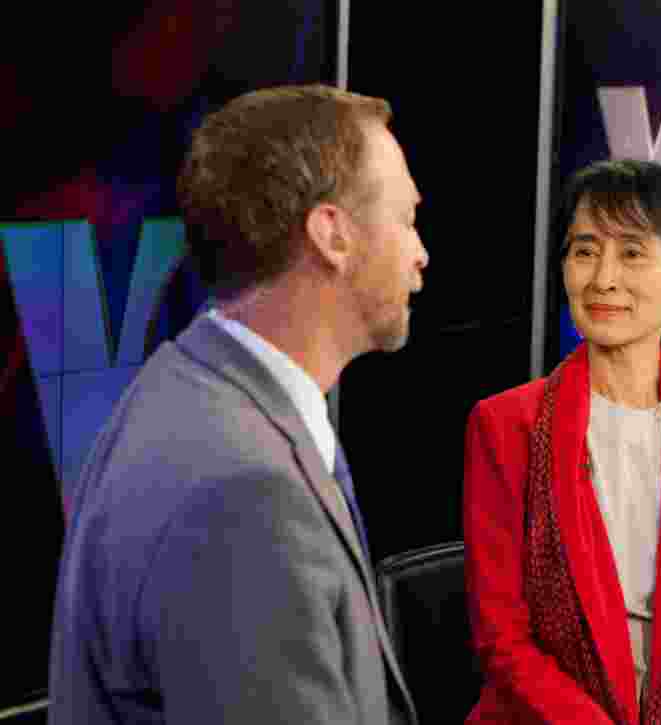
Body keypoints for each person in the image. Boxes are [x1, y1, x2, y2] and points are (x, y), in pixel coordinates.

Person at [48, 84, 427, 724]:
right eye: (407, 219)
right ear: (332, 234)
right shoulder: (245, 493)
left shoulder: (186, 386)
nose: (421, 254)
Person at [463, 159, 661, 724]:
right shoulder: (506, 423)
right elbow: (502, 640)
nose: (603, 277)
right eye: (585, 251)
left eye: (632, 252)